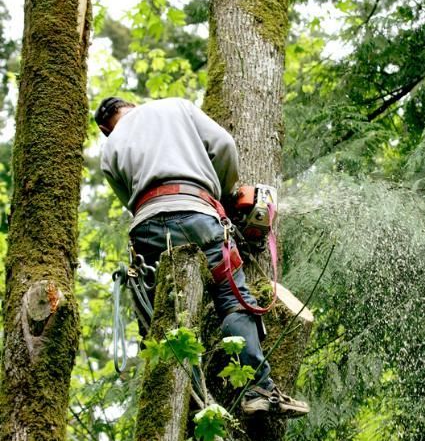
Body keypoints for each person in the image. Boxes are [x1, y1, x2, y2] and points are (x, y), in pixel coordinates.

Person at [96, 95, 309, 418]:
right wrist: (222, 194)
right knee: (233, 298)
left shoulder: (109, 148)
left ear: (104, 127)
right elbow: (224, 145)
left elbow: (129, 199)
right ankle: (257, 389)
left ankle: (176, 407)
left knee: (163, 320)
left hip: (146, 231)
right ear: (134, 105)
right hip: (197, 213)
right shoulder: (174, 106)